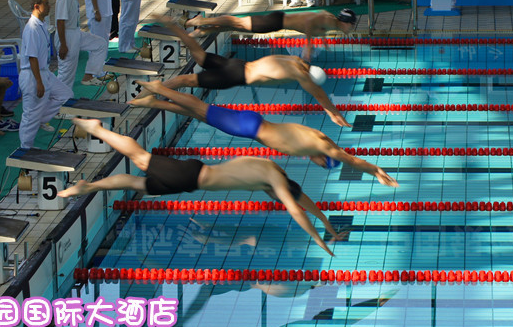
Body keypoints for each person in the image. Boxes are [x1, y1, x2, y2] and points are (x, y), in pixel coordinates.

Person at [58, 118, 349, 256]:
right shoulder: (273, 180)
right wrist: (319, 241)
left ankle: (89, 186)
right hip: (192, 176)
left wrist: (330, 230)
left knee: (141, 185)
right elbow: (296, 210)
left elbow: (305, 203)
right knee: (142, 159)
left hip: (192, 178)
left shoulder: (273, 170)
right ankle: (98, 129)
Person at [130, 81, 398, 188]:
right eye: (323, 165)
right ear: (324, 160)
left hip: (253, 124)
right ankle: (157, 88)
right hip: (248, 128)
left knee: (199, 114)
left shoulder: (319, 138)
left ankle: (152, 102)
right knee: (200, 108)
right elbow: (351, 159)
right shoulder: (323, 148)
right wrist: (376, 171)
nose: (318, 164)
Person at [145, 19, 350, 127]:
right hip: (236, 76)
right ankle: (148, 93)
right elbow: (318, 93)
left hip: (238, 64)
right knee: (185, 80)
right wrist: (333, 112)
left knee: (198, 55)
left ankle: (174, 27)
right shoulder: (300, 75)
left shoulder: (295, 61)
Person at [19, 0, 73, 149]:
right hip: (32, 74)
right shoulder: (31, 28)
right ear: (37, 7)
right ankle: (25, 149)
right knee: (30, 115)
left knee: (65, 94)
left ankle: (42, 118)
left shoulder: (42, 24)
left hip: (44, 71)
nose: (49, 7)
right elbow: (32, 58)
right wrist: (39, 82)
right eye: (46, 4)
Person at [55, 0, 108, 88]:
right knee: (66, 74)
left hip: (75, 32)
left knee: (100, 44)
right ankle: (58, 99)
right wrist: (63, 44)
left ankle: (89, 76)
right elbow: (60, 21)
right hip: (67, 36)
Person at [175, 9, 356, 40]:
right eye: (352, 25)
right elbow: (309, 23)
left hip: (277, 21)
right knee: (237, 22)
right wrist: (308, 46)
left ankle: (201, 31)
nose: (352, 28)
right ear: (345, 22)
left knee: (234, 27)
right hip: (275, 21)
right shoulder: (330, 21)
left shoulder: (332, 21)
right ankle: (202, 21)